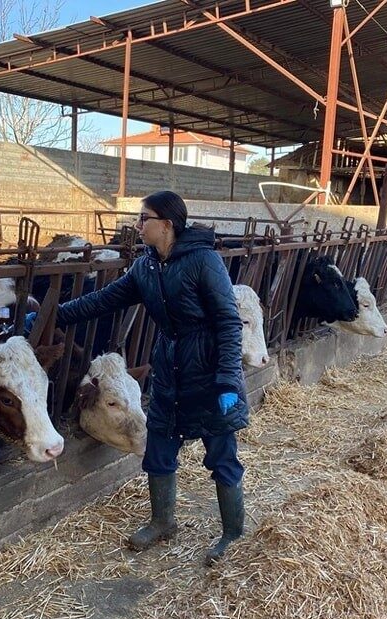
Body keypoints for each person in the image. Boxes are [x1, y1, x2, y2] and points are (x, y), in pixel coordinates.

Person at [25, 191, 248, 563]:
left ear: (167, 224)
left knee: (221, 456)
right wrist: (51, 316)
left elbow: (228, 321)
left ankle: (233, 534)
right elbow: (102, 300)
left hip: (208, 372)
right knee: (159, 450)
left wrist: (227, 379)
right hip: (170, 370)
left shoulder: (203, 261)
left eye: (144, 218)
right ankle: (163, 522)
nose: (137, 225)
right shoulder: (146, 266)